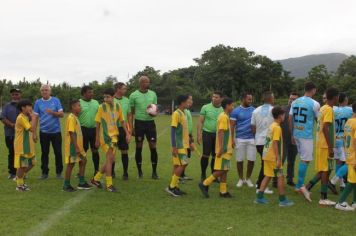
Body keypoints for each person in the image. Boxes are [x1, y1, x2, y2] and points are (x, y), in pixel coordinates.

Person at [91, 88, 130, 192]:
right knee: (109, 160)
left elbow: (122, 121)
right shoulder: (101, 107)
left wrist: (127, 133)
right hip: (105, 137)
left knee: (111, 160)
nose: (105, 98)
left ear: (113, 97)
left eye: (108, 96)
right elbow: (97, 123)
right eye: (104, 97)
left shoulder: (118, 106)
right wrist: (97, 138)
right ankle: (109, 185)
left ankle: (96, 179)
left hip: (114, 137)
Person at [254, 106, 294, 206]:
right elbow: (275, 143)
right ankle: (282, 200)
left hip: (266, 155)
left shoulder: (272, 125)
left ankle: (259, 197)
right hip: (273, 157)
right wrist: (278, 158)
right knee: (280, 177)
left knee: (268, 176)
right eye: (284, 114)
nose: (284, 116)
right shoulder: (277, 128)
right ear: (280, 116)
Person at [308, 87, 339, 206]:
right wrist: (331, 147)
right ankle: (323, 197)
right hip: (325, 145)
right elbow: (325, 128)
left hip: (320, 143)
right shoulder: (329, 110)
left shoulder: (322, 108)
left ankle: (306, 188)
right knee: (325, 171)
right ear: (335, 97)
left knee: (323, 170)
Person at [289, 82, 320, 202]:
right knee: (305, 160)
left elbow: (290, 118)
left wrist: (292, 134)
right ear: (313, 90)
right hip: (306, 135)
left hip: (296, 133)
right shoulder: (315, 103)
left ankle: (299, 186)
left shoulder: (295, 101)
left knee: (303, 159)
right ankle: (299, 186)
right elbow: (319, 120)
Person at [199, 98, 234, 198]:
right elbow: (221, 132)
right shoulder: (223, 117)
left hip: (226, 148)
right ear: (227, 106)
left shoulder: (225, 116)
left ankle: (223, 191)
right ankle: (205, 183)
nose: (233, 107)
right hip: (223, 149)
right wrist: (222, 148)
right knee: (222, 170)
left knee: (225, 169)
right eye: (232, 105)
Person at [129, 76, 159, 179]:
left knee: (153, 147)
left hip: (150, 124)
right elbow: (132, 112)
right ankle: (140, 172)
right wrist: (132, 126)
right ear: (141, 83)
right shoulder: (133, 95)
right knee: (139, 147)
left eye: (148, 82)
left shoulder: (153, 94)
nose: (148, 84)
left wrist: (154, 113)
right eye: (146, 82)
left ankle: (154, 173)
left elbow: (155, 109)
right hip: (139, 124)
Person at [32, 84, 64, 179]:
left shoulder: (56, 100)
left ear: (50, 91)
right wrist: (34, 133)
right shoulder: (38, 102)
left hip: (56, 132)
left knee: (58, 153)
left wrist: (52, 112)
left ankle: (59, 173)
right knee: (44, 153)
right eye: (43, 90)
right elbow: (35, 118)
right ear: (40, 92)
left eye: (46, 90)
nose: (44, 92)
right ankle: (44, 173)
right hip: (44, 132)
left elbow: (62, 114)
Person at [165, 95, 193, 196]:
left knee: (177, 165)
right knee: (184, 164)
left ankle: (175, 187)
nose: (189, 103)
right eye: (187, 101)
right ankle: (171, 187)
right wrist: (174, 146)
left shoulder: (184, 113)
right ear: (182, 102)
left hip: (184, 144)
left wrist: (190, 142)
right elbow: (173, 130)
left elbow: (184, 131)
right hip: (179, 144)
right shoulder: (176, 113)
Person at [63, 100, 92, 192]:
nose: (80, 107)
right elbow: (71, 133)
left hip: (78, 145)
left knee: (83, 160)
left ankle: (82, 182)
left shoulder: (75, 117)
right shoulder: (71, 117)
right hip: (73, 145)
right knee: (71, 164)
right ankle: (66, 185)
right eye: (78, 105)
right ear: (73, 107)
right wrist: (76, 147)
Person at [230, 92, 255, 188]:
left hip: (252, 139)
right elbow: (232, 126)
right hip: (239, 138)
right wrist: (232, 139)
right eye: (249, 99)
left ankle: (248, 178)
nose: (250, 101)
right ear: (243, 99)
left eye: (251, 99)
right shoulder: (235, 111)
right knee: (239, 160)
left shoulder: (254, 110)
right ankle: (241, 179)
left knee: (251, 160)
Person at [197, 91, 223, 181]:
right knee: (206, 154)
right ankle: (203, 174)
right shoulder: (205, 107)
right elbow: (200, 121)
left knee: (215, 156)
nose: (214, 98)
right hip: (207, 133)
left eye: (216, 97)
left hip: (218, 135)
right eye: (213, 97)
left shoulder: (223, 109)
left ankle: (213, 175)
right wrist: (199, 134)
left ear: (221, 99)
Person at [252, 91, 274, 194]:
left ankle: (259, 184)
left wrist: (257, 136)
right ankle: (261, 187)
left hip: (258, 141)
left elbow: (253, 126)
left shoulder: (256, 110)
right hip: (268, 141)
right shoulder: (274, 110)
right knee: (266, 163)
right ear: (270, 99)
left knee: (264, 162)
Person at [335, 102, 356, 211]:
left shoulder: (348, 122)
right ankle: (340, 202)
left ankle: (354, 202)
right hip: (354, 157)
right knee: (352, 181)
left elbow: (345, 138)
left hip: (349, 154)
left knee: (354, 180)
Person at [330, 93, 353, 191]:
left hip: (335, 139)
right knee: (349, 162)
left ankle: (342, 184)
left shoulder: (334, 110)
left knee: (339, 162)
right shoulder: (349, 110)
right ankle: (333, 181)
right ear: (345, 99)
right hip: (345, 140)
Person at [14, 99, 36, 191]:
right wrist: (34, 118)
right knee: (22, 165)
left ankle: (19, 177)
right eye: (29, 106)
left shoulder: (25, 117)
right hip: (22, 146)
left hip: (28, 145)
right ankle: (19, 185)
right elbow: (31, 129)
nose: (31, 108)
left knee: (32, 163)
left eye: (31, 106)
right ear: (23, 108)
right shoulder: (21, 117)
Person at [278, 92, 299, 187]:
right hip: (283, 139)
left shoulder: (299, 110)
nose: (291, 100)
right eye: (290, 98)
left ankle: (290, 178)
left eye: (294, 99)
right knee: (281, 160)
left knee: (292, 160)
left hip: (294, 139)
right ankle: (276, 180)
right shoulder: (282, 109)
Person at [78, 85, 100, 176]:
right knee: (83, 152)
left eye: (92, 92)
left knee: (95, 150)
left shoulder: (96, 102)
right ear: (83, 93)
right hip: (82, 130)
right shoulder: (78, 102)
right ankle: (81, 171)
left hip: (94, 129)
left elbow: (99, 117)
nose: (92, 94)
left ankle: (96, 170)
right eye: (89, 92)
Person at [1, 88, 21, 179]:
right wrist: (12, 125)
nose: (15, 96)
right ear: (11, 95)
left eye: (17, 94)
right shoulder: (6, 106)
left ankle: (22, 172)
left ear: (20, 95)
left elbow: (29, 116)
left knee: (22, 153)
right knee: (12, 152)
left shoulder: (23, 105)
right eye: (13, 94)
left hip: (21, 135)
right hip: (10, 134)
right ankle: (12, 172)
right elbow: (2, 118)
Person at [113, 82, 132, 180]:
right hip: (113, 129)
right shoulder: (111, 100)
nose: (125, 90)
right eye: (124, 88)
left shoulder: (127, 100)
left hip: (124, 128)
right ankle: (111, 172)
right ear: (118, 89)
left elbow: (129, 115)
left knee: (124, 151)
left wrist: (130, 129)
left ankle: (125, 173)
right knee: (112, 152)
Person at [180, 94, 194, 181]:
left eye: (191, 100)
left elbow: (189, 125)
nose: (191, 102)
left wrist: (191, 135)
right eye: (189, 100)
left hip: (188, 136)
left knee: (186, 156)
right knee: (183, 157)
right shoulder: (183, 111)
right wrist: (187, 138)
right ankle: (179, 175)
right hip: (184, 138)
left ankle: (182, 174)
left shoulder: (187, 111)